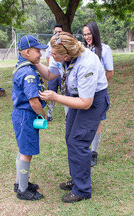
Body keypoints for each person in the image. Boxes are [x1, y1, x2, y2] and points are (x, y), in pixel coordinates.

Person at [35, 32, 110, 203]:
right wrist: (36, 63)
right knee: (70, 138)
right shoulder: (59, 53)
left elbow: (85, 103)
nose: (50, 56)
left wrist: (55, 97)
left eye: (54, 55)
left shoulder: (87, 63)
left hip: (92, 100)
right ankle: (77, 179)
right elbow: (50, 74)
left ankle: (82, 190)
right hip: (76, 96)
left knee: (79, 140)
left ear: (67, 54)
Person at [12, 35, 48, 201]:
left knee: (23, 149)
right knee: (26, 152)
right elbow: (33, 101)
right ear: (27, 52)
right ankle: (23, 190)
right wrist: (43, 115)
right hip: (26, 116)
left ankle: (21, 183)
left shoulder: (23, 66)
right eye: (37, 50)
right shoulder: (28, 73)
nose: (40, 54)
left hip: (20, 115)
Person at [83, 21, 114, 167]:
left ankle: (93, 153)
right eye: (84, 34)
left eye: (89, 34)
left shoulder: (105, 50)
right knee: (84, 122)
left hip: (98, 94)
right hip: (84, 94)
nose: (87, 37)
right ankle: (84, 150)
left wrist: (96, 85)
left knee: (97, 123)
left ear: (95, 33)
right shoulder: (82, 49)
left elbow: (110, 72)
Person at [44, 24, 63, 121]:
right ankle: (49, 115)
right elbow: (47, 58)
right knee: (51, 94)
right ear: (53, 32)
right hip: (53, 74)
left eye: (60, 32)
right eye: (56, 32)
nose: (57, 34)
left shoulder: (64, 44)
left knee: (65, 94)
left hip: (63, 74)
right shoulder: (49, 44)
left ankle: (68, 115)